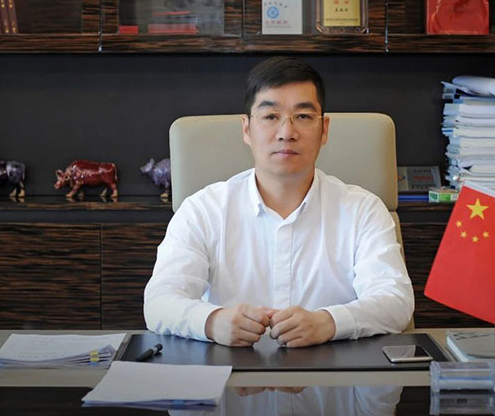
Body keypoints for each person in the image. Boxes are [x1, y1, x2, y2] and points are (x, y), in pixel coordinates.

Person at [143, 56, 414, 348]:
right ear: (246, 129)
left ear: (324, 130)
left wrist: (328, 322)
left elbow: (395, 301)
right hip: (230, 372)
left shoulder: (363, 210)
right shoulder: (203, 210)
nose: (287, 133)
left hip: (335, 372)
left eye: (303, 116)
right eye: (271, 116)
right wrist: (212, 321)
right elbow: (160, 302)